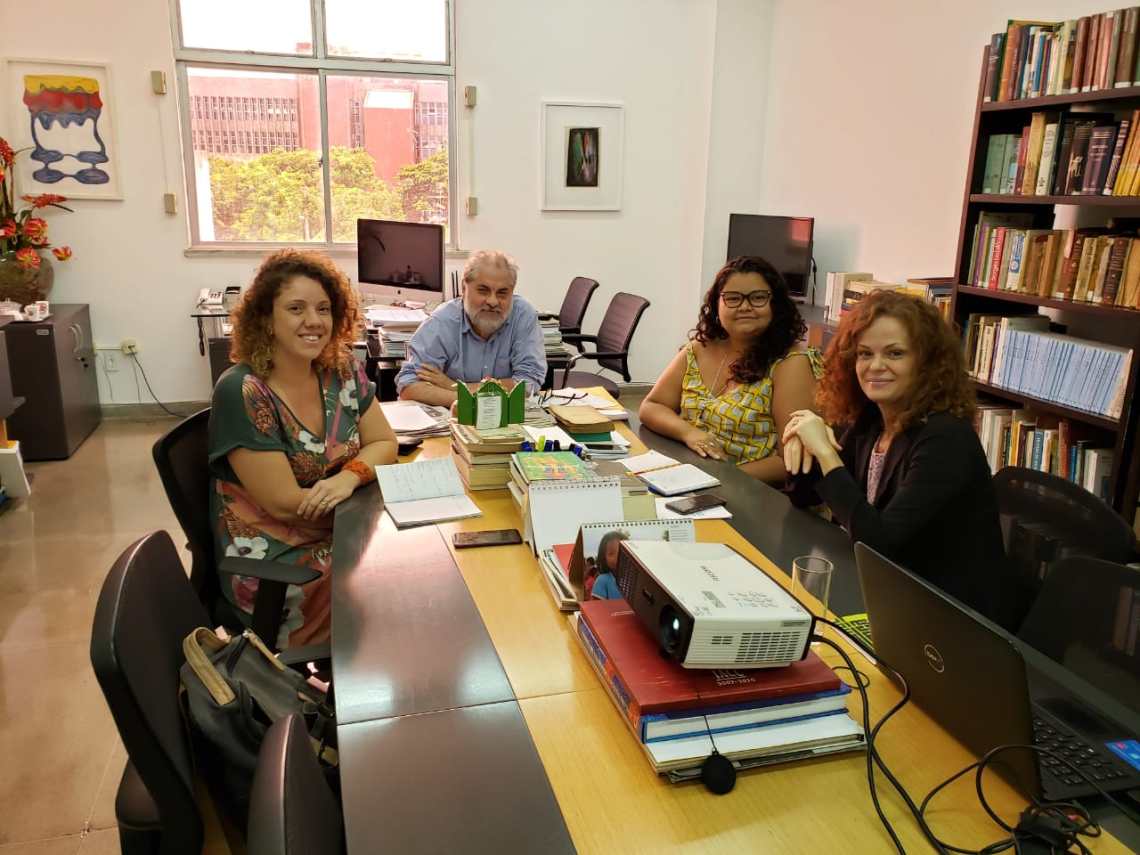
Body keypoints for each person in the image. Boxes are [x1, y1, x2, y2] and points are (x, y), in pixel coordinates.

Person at [781, 290, 1012, 627]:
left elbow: (881, 543)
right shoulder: (870, 419)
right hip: (890, 591)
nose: (876, 366)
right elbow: (803, 496)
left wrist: (826, 453)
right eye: (864, 354)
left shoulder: (946, 438)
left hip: (950, 617)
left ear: (927, 363)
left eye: (895, 353)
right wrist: (802, 442)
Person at [208, 249, 398, 649]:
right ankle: (354, 691)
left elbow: (384, 442)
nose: (314, 321)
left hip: (339, 527)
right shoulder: (243, 391)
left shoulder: (341, 368)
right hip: (277, 561)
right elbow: (286, 505)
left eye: (324, 309)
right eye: (296, 308)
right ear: (266, 319)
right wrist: (359, 506)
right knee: (394, 595)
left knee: (413, 572)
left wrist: (350, 477)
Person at [638, 256, 822, 482]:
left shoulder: (791, 363)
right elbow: (652, 406)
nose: (745, 306)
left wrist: (717, 480)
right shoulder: (698, 349)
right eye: (733, 298)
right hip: (691, 478)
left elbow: (791, 462)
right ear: (717, 305)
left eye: (758, 298)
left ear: (776, 305)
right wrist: (690, 434)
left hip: (754, 495)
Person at [396, 250, 546, 406]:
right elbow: (409, 386)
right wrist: (465, 399)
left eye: (502, 293)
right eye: (483, 290)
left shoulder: (523, 315)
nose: (493, 301)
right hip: (453, 417)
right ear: (463, 288)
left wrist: (454, 387)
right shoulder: (442, 322)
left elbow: (528, 383)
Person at [587, 530, 629, 600]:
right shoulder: (602, 580)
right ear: (604, 557)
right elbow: (597, 608)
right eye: (611, 553)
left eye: (622, 551)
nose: (617, 556)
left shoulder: (636, 581)